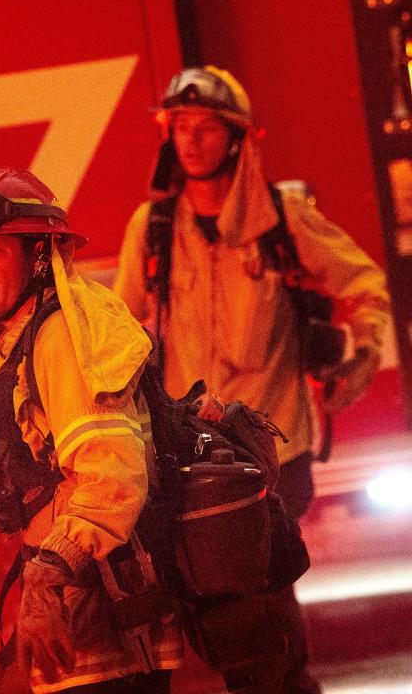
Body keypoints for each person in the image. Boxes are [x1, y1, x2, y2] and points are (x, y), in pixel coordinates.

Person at [113, 66, 391, 693]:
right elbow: (121, 331)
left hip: (274, 451)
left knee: (255, 599)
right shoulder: (152, 230)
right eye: (180, 128)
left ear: (237, 139)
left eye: (206, 128)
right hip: (194, 459)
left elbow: (366, 284)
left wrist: (361, 359)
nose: (190, 141)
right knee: (227, 606)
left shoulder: (284, 222)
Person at [0, 167, 184, 693]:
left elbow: (113, 477)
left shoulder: (60, 339)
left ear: (40, 255)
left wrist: (47, 575)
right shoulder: (33, 335)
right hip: (86, 610)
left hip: (102, 618)